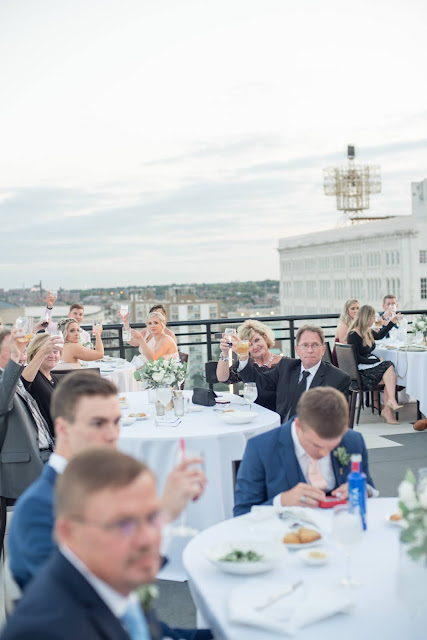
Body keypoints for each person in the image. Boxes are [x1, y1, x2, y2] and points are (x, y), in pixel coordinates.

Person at [9, 371, 206, 593]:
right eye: (98, 423)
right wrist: (162, 516)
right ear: (63, 428)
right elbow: (83, 599)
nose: (113, 435)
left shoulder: (108, 488)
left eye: (116, 422)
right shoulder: (39, 507)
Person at [3, 449, 212, 640]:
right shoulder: (47, 630)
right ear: (68, 533)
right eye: (123, 524)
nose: (147, 538)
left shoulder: (112, 574)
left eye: (151, 517)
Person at [234, 387, 375, 516]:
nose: (325, 453)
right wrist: (281, 501)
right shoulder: (261, 448)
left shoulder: (353, 441)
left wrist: (364, 491)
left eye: (332, 446)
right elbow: (242, 513)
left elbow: (369, 488)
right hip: (285, 536)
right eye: (316, 445)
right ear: (298, 425)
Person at [237, 324, 351, 423]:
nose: (310, 350)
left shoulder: (338, 379)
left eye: (315, 345)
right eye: (305, 345)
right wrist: (243, 355)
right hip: (280, 431)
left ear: (323, 349)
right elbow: (258, 384)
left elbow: (336, 422)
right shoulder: (286, 367)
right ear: (297, 350)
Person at [0, 329, 54, 503]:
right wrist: (16, 360)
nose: (21, 355)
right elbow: (2, 402)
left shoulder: (14, 378)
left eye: (23, 350)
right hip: (29, 463)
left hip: (47, 452)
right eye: (14, 349)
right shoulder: (7, 381)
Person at [346, 304, 403, 425]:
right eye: (372, 317)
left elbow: (380, 335)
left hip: (368, 368)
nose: (374, 320)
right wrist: (376, 361)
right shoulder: (353, 335)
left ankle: (388, 409)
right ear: (366, 317)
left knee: (389, 376)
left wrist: (392, 322)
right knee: (389, 369)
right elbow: (357, 359)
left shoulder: (367, 330)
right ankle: (390, 406)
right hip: (361, 374)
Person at [216, 319, 283, 411]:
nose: (255, 346)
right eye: (250, 345)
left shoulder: (283, 362)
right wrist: (225, 353)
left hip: (278, 413)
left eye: (257, 340)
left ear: (265, 338)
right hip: (253, 412)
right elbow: (223, 378)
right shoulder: (246, 364)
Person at [21, 333, 63, 439]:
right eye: (48, 352)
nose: (52, 355)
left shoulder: (54, 378)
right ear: (35, 354)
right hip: (49, 439)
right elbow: (23, 381)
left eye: (55, 351)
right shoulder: (32, 376)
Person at [331, 299, 360, 366]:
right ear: (347, 311)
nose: (356, 311)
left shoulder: (357, 324)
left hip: (353, 355)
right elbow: (345, 347)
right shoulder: (344, 325)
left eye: (358, 308)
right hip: (342, 359)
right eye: (353, 309)